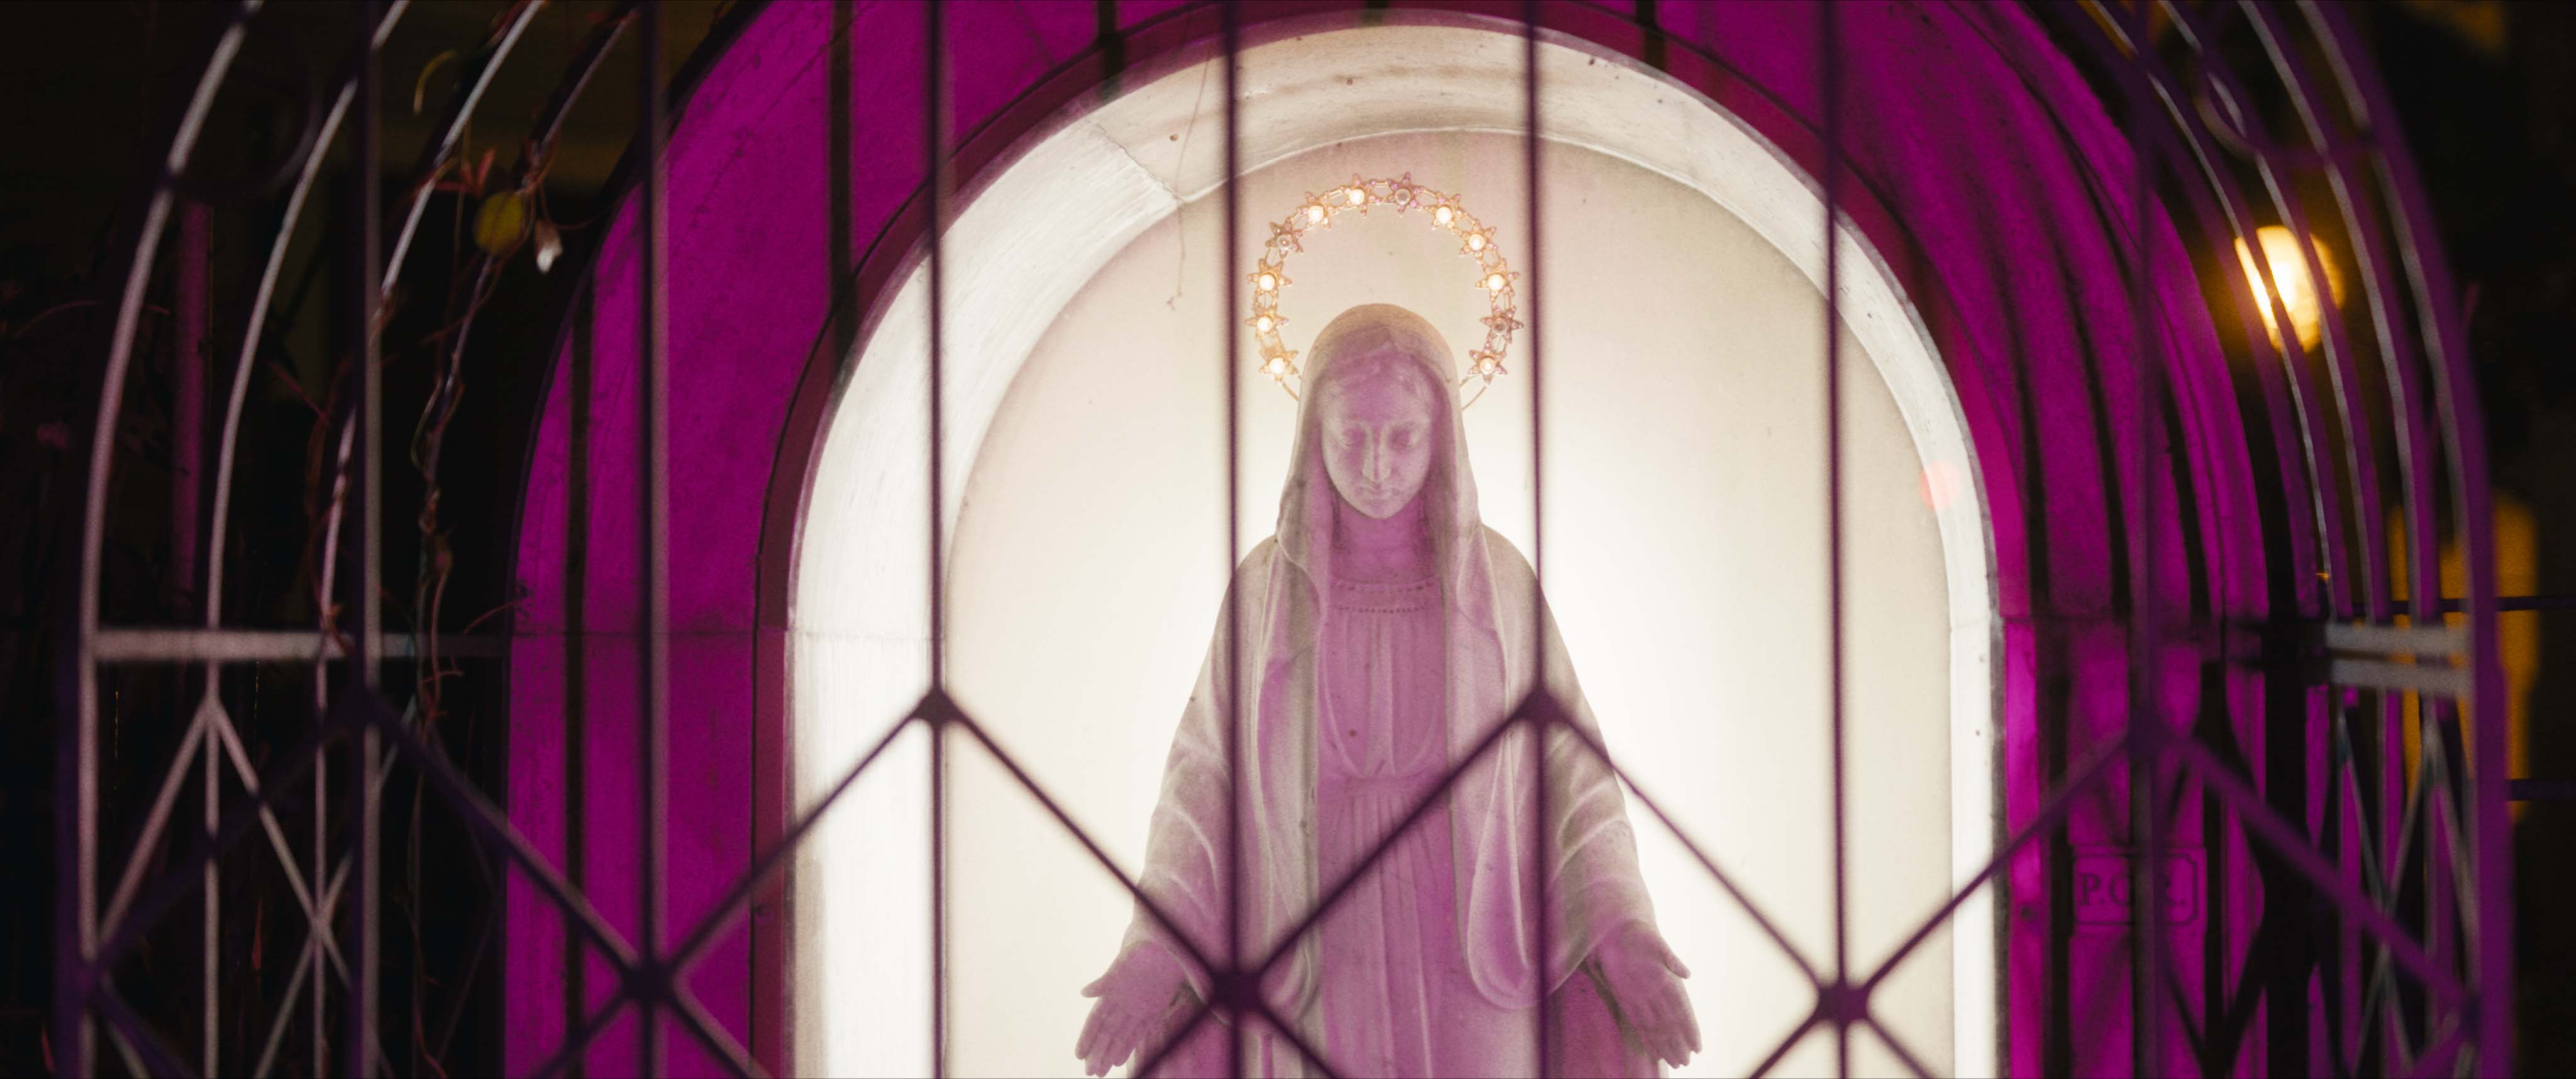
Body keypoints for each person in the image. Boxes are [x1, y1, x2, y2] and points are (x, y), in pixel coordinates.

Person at [1074, 305, 1699, 1077]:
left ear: (1441, 440)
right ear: (1315, 437)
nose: (1377, 465)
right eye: (1353, 437)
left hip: (1471, 919)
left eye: (1403, 437)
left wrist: (1620, 926)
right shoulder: (1266, 590)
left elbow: (1570, 773)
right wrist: (1156, 947)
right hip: (1314, 921)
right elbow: (1204, 780)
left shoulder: (1497, 583)